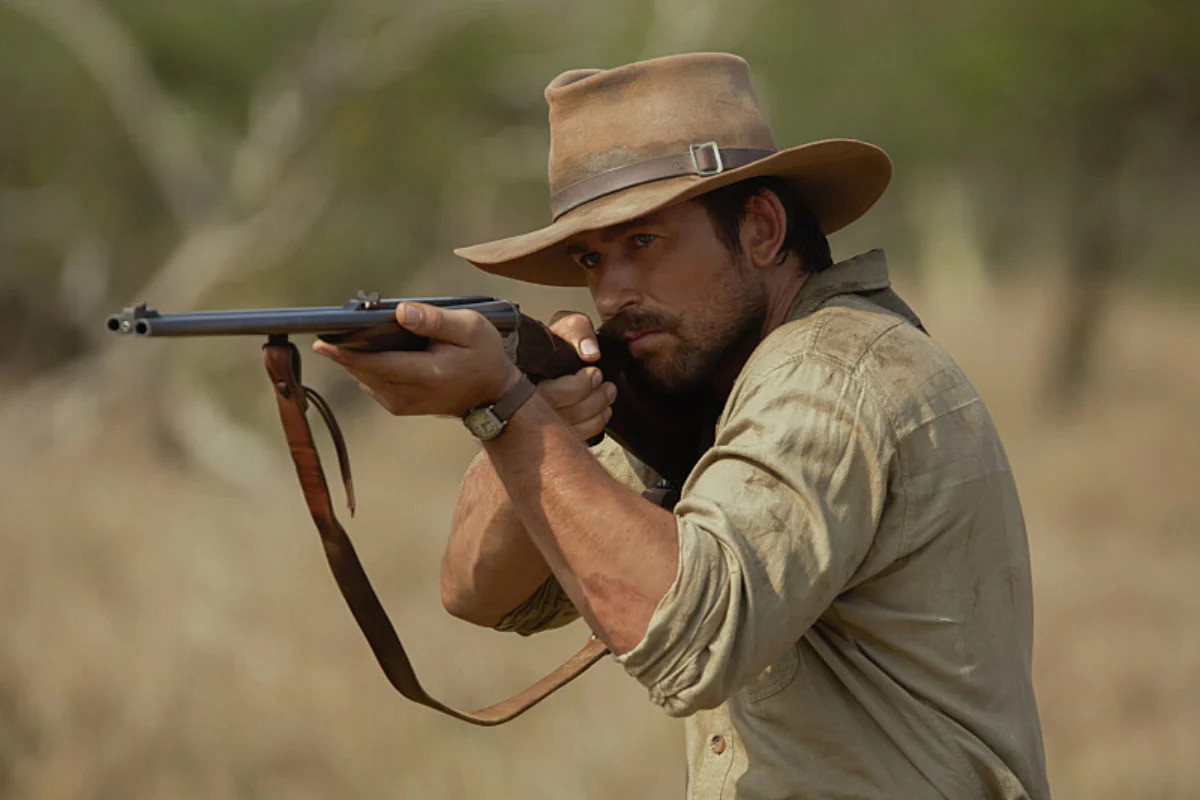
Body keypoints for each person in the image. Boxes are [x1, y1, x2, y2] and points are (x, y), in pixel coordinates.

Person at [315, 53, 1050, 799]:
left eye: (643, 243)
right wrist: (530, 411)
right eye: (591, 257)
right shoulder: (704, 386)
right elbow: (481, 592)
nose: (610, 291)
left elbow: (689, 637)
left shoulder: (827, 371)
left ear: (761, 228)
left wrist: (510, 413)